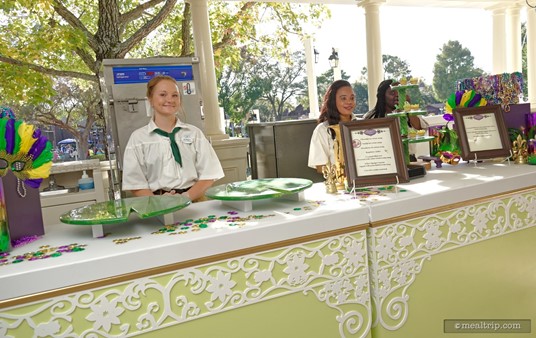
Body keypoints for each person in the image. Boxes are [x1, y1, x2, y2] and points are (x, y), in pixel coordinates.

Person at [122, 75, 224, 200]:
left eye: (175, 95)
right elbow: (135, 183)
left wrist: (185, 197)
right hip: (155, 203)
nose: (170, 99)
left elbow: (209, 174)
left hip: (195, 200)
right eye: (163, 95)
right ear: (150, 99)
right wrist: (160, 203)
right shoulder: (138, 139)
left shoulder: (194, 134)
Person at [308, 80, 356, 173]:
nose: (349, 102)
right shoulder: (322, 130)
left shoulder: (363, 124)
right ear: (333, 101)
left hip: (365, 184)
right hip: (338, 185)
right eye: (343, 98)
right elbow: (320, 167)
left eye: (352, 98)